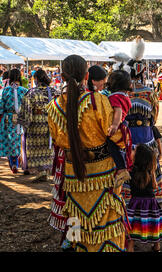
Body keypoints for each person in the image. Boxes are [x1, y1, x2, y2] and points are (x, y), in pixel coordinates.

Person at [47, 55, 128, 252]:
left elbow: (57, 141)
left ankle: (75, 246)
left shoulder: (54, 107)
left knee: (74, 214)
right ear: (86, 75)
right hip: (103, 175)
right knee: (106, 221)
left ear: (62, 75)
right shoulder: (96, 100)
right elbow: (116, 135)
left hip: (73, 174)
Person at [125, 59, 162, 204]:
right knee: (149, 165)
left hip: (128, 137)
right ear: (142, 72)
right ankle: (151, 195)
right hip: (147, 135)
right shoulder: (150, 93)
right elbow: (155, 118)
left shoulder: (123, 93)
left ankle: (128, 197)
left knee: (128, 165)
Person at [17, 69, 58, 181]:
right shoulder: (55, 92)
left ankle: (41, 171)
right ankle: (46, 171)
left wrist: (24, 123)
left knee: (37, 149)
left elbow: (26, 112)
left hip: (36, 125)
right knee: (48, 148)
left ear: (36, 79)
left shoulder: (31, 93)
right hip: (51, 124)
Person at [126, 144, 162, 252]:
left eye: (134, 150)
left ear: (138, 157)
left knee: (132, 228)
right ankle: (156, 246)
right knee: (154, 224)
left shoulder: (130, 171)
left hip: (135, 203)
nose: (132, 151)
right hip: (150, 203)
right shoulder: (150, 171)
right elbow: (154, 186)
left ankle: (130, 248)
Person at [0, 69, 28, 174]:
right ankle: (16, 162)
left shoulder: (6, 90)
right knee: (18, 139)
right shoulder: (24, 90)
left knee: (9, 140)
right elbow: (27, 107)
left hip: (8, 117)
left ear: (10, 77)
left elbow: (1, 105)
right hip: (19, 117)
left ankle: (13, 163)